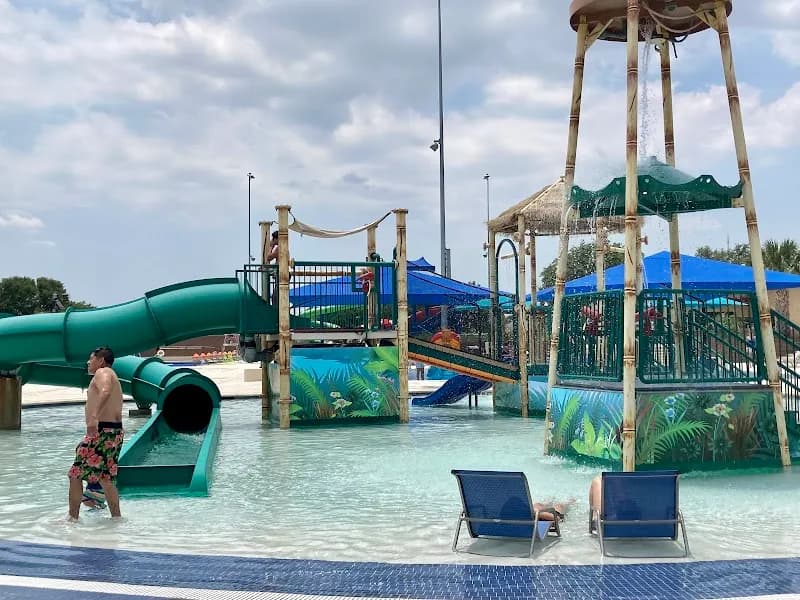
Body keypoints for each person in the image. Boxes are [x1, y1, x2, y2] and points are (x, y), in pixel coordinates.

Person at [67, 346, 124, 520]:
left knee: (75, 474)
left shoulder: (103, 372)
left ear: (101, 360)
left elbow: (105, 390)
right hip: (114, 431)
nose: (88, 362)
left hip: (102, 431)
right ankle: (117, 518)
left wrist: (93, 417)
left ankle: (72, 519)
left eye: (91, 359)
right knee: (106, 478)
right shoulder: (112, 374)